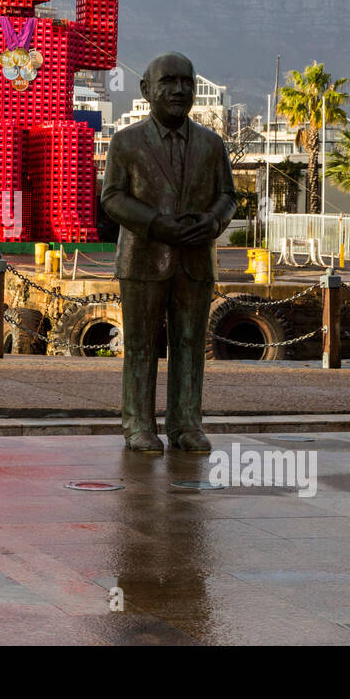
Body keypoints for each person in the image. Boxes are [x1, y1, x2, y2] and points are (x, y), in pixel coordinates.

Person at [101, 52, 236, 452]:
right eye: (168, 82)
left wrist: (213, 222)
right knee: (140, 345)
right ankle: (138, 425)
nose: (179, 90)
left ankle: (186, 424)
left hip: (195, 259)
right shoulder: (126, 142)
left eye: (187, 82)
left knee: (191, 344)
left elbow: (228, 195)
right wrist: (154, 223)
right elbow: (111, 197)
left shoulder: (212, 144)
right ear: (146, 89)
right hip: (143, 257)